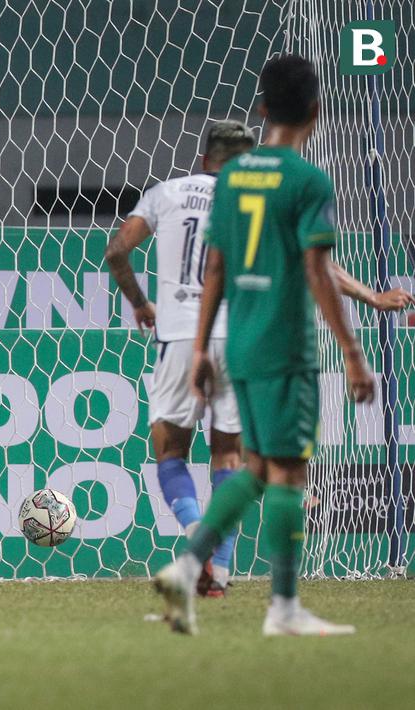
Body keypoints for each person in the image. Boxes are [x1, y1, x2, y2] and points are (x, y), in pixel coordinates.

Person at [108, 122, 413, 597]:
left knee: (170, 452)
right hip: (241, 339)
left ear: (205, 158)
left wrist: (140, 303)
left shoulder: (164, 193)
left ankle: (194, 533)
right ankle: (221, 571)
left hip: (180, 337)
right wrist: (372, 297)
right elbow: (318, 264)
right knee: (229, 455)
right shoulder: (258, 199)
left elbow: (117, 251)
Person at [153, 55, 376, 635]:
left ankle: (188, 567)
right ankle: (283, 608)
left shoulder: (235, 177)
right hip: (285, 345)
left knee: (254, 467)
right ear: (316, 111)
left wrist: (200, 347)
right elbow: (316, 269)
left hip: (240, 341)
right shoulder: (307, 182)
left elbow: (217, 267)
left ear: (262, 109)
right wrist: (351, 351)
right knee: (288, 472)